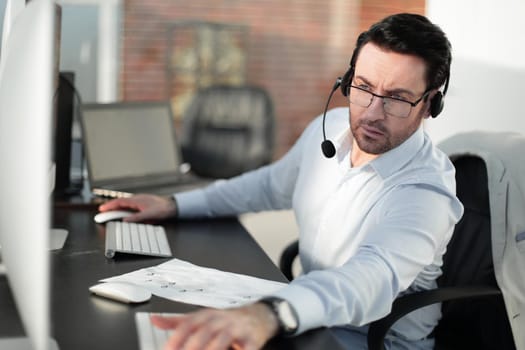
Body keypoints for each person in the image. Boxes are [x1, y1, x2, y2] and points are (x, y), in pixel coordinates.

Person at [99, 13, 463, 350]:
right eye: (364, 87)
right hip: (311, 316)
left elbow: (368, 279)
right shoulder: (335, 126)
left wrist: (271, 313)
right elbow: (269, 185)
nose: (371, 112)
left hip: (372, 340)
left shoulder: (426, 192)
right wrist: (177, 205)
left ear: (431, 104)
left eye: (397, 99)